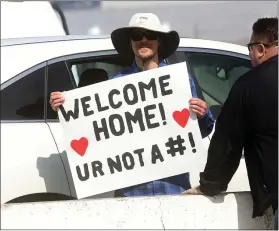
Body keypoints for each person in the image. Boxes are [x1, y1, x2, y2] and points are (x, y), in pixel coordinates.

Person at [49, 13, 215, 197]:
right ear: (130, 42)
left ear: (159, 41)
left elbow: (203, 131)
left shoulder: (179, 82)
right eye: (137, 35)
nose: (143, 40)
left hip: (173, 188)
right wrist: (66, 107)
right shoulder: (115, 85)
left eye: (150, 35)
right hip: (131, 195)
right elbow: (97, 133)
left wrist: (202, 113)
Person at [183, 17, 278, 228]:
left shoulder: (249, 86)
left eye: (250, 47)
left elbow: (227, 143)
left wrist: (209, 186)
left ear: (260, 49)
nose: (249, 53)